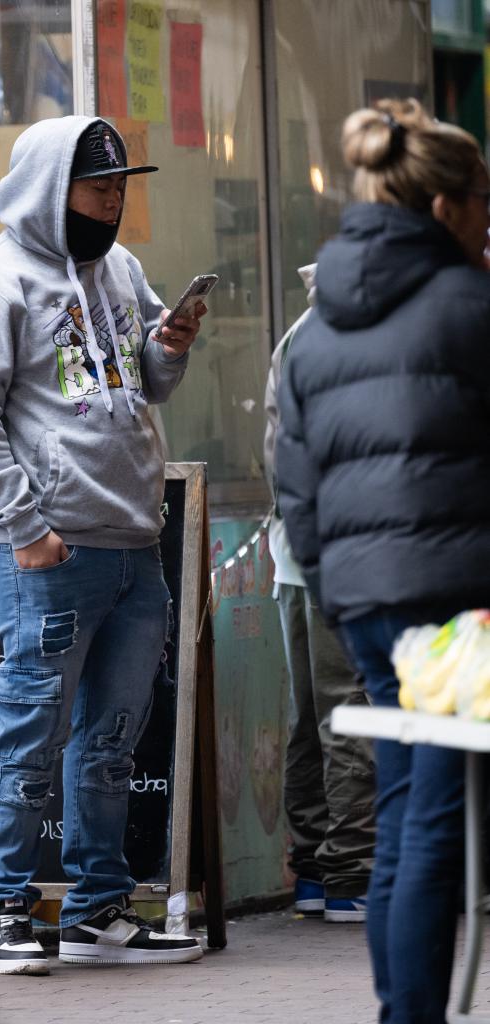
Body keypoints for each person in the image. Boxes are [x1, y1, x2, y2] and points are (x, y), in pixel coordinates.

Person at [0, 116, 206, 974]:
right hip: (52, 550)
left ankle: (96, 911)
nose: (114, 201)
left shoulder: (120, 269)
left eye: (121, 187)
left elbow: (141, 381)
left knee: (111, 742)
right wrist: (25, 529)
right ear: (53, 190)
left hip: (134, 541)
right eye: (99, 188)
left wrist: (171, 347)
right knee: (30, 734)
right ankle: (1, 913)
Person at [276, 98, 490, 1023]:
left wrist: (339, 593)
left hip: (367, 605)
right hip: (457, 604)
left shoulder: (313, 330)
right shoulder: (471, 307)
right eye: (484, 197)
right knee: (434, 820)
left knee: (410, 813)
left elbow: (295, 485)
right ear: (445, 207)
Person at [263, 264, 375, 923]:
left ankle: (311, 867)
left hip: (294, 558)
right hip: (340, 554)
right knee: (349, 711)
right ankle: (350, 873)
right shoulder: (348, 343)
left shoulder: (299, 337)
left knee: (310, 717)